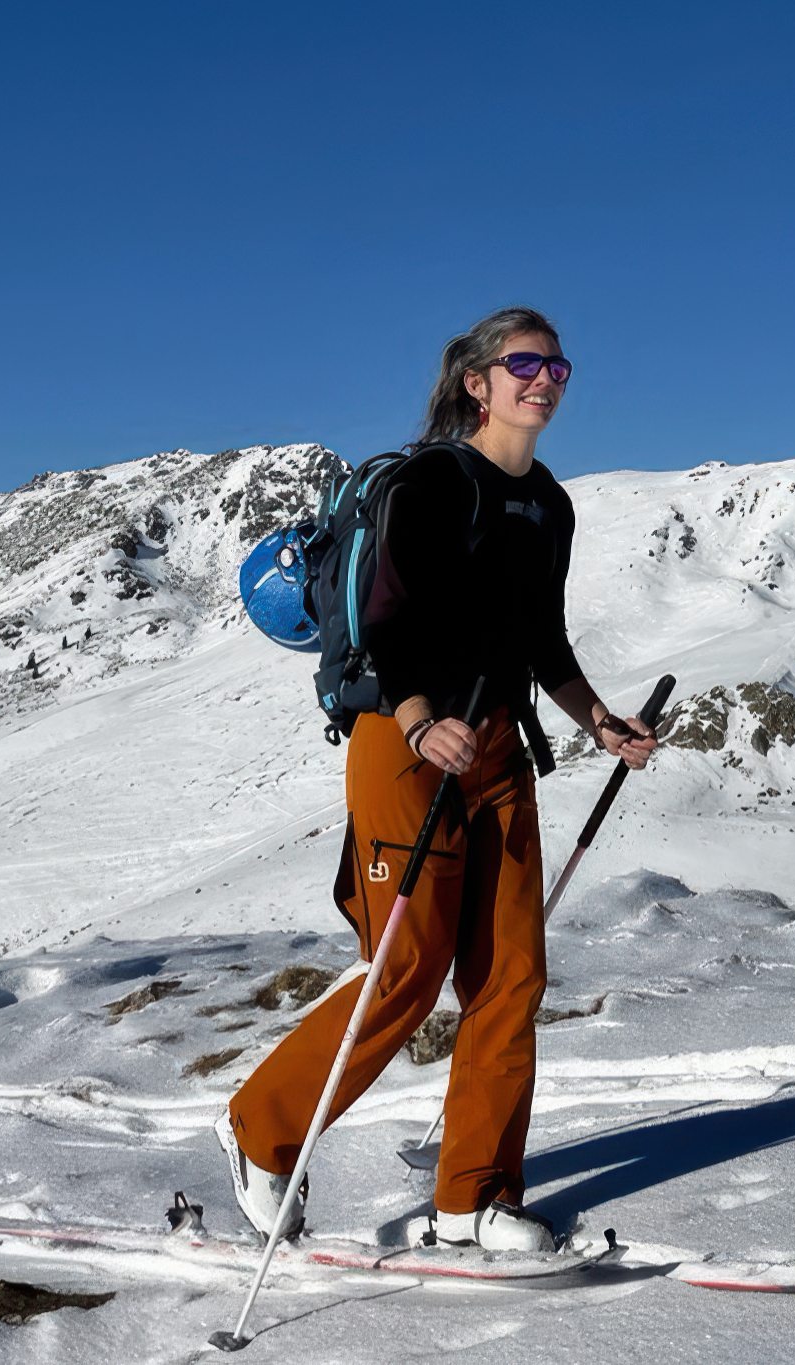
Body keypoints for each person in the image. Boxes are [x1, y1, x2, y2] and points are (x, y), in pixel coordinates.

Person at [215, 306, 657, 1251]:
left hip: (497, 747)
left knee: (510, 974)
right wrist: (418, 722)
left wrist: (597, 718)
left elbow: (542, 639)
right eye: (525, 364)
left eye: (558, 367)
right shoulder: (429, 482)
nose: (545, 380)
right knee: (407, 968)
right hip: (402, 742)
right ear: (479, 382)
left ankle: (475, 1197)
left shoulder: (549, 503)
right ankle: (261, 1130)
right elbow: (383, 622)